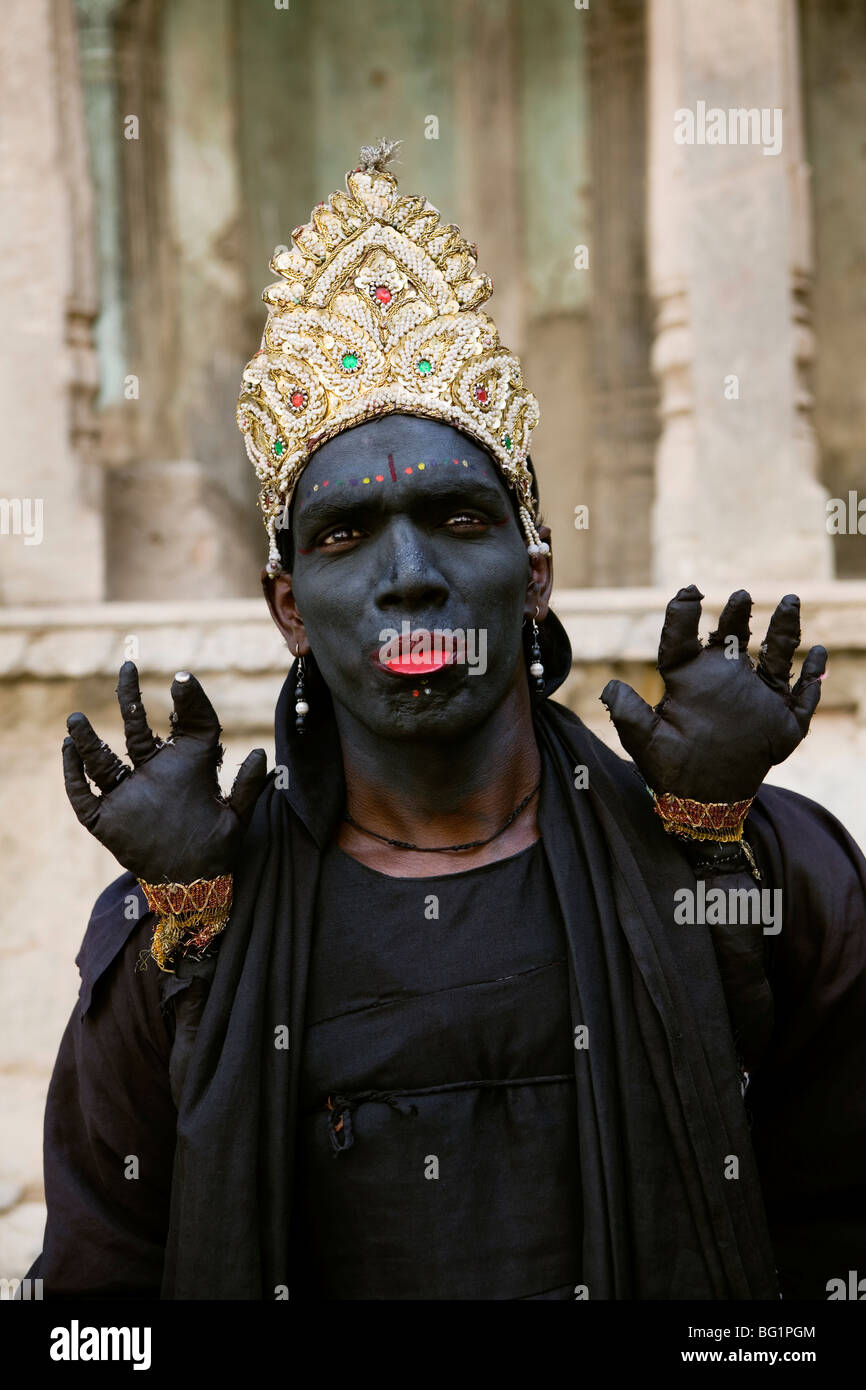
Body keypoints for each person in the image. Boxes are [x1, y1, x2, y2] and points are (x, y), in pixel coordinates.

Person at [26, 141, 866, 1301]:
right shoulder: (183, 933)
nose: (408, 574)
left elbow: (836, 1229)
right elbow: (95, 1298)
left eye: (458, 520)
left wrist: (712, 858)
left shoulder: (756, 865)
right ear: (286, 607)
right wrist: (183, 941)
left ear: (534, 574)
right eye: (343, 537)